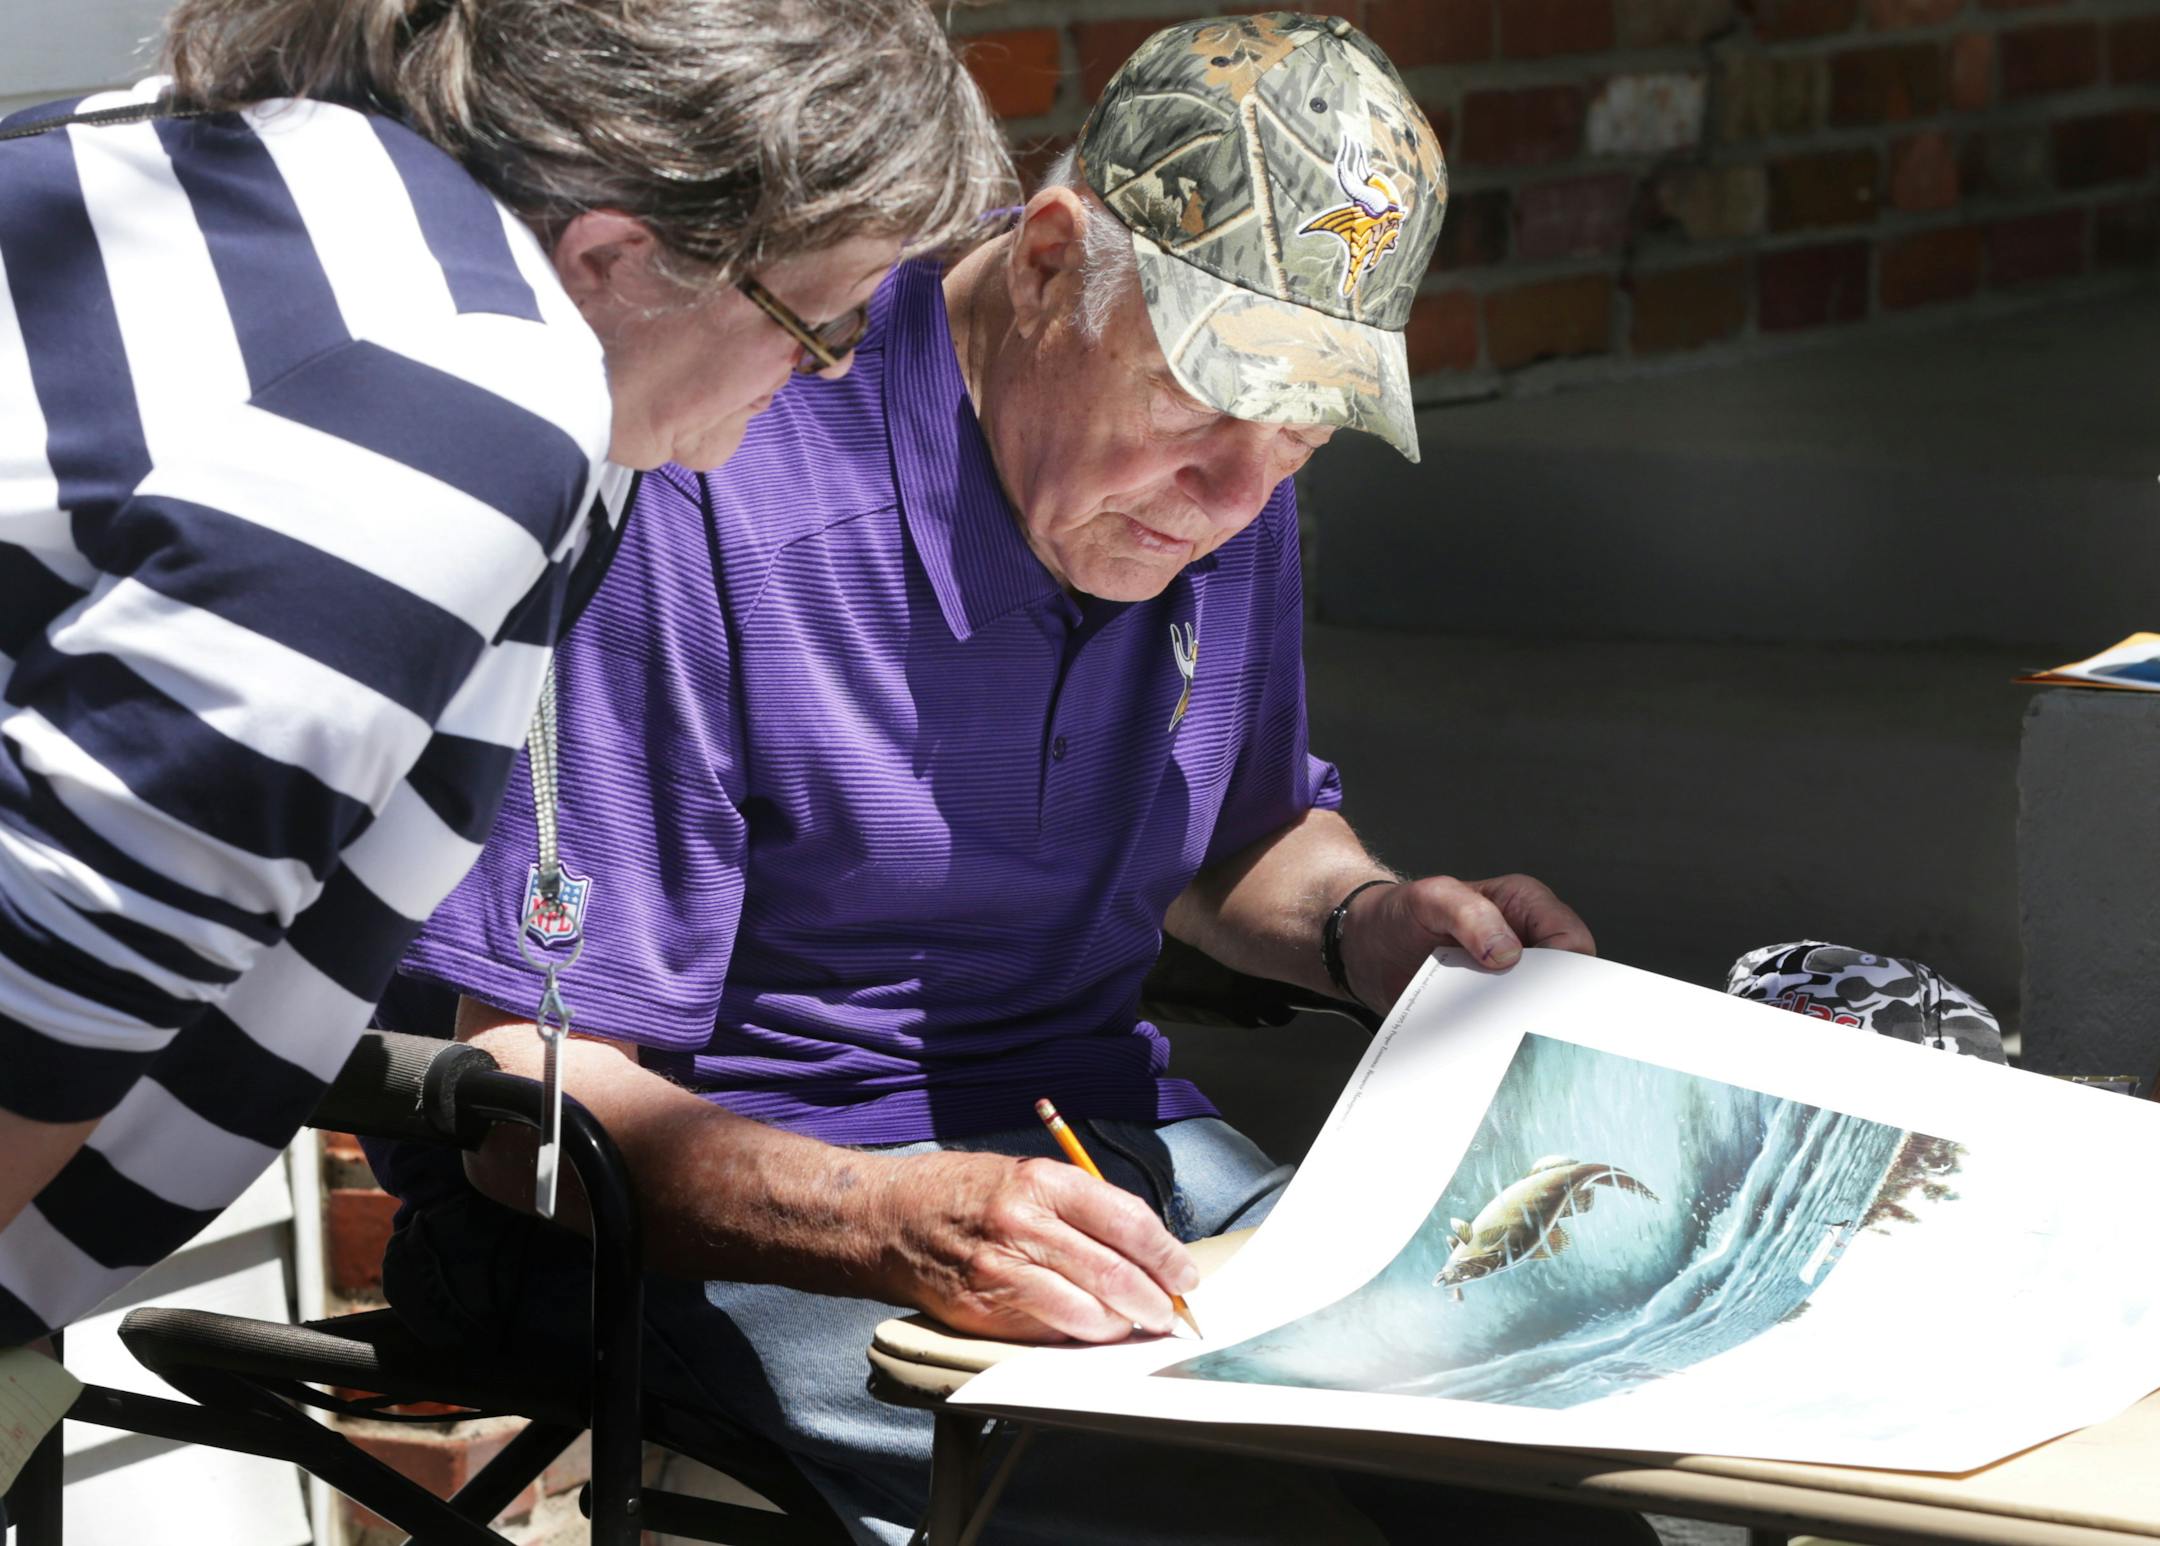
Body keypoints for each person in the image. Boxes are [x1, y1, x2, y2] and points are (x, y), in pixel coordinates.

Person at [380, 14, 1646, 1543]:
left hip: (1092, 1162)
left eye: (1303, 440)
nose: (1235, 499)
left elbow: (1237, 834)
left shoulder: (1214, 502)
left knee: (1593, 1448)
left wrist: (1368, 920)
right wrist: (891, 1219)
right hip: (731, 1224)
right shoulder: (714, 453)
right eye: (1199, 409)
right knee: (1242, 1519)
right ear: (1050, 261)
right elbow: (530, 1096)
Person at [0, 0, 1008, 1349]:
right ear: (617, 255)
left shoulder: (216, 161)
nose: (823, 373)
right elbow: (45, 997)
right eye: (818, 321)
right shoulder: (476, 385)